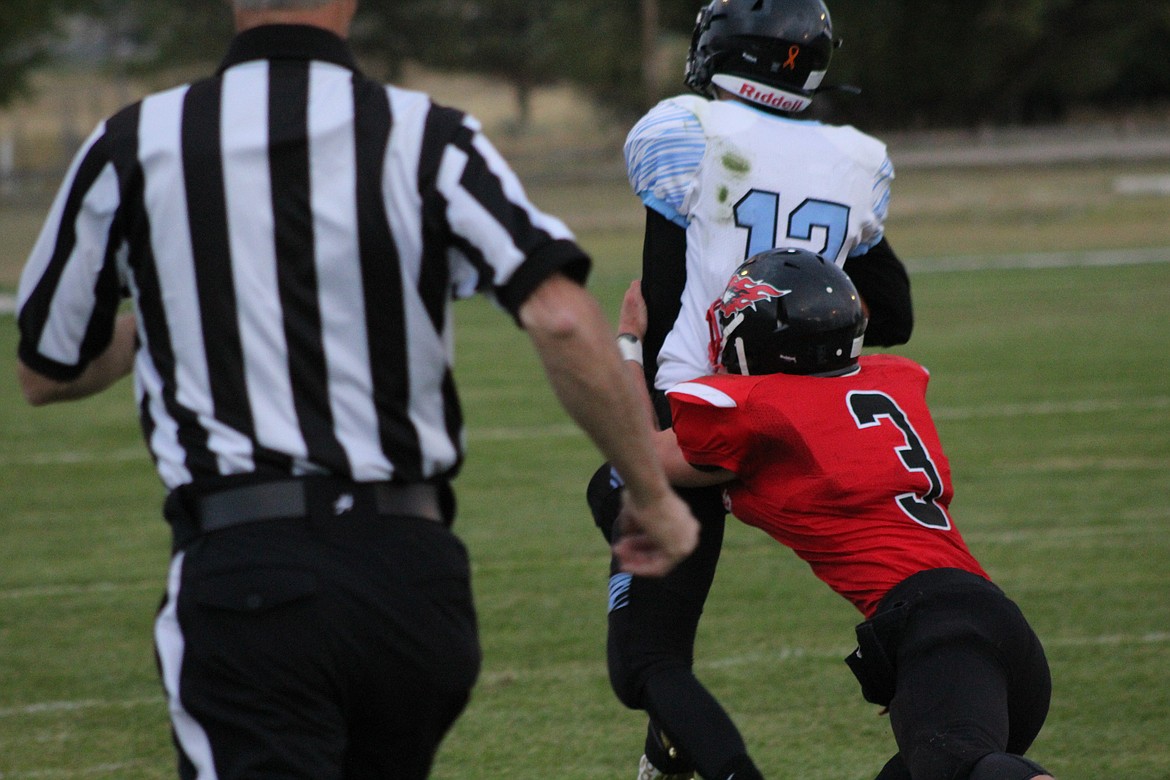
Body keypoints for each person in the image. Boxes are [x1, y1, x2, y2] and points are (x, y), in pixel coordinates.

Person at [15, 1, 699, 778]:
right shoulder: (427, 135)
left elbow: (48, 365)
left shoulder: (136, 142)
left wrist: (181, 311)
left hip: (249, 568)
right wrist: (650, 490)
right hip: (410, 578)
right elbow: (563, 319)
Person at [588, 1, 914, 778]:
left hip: (702, 422)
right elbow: (894, 315)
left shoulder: (687, 131)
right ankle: (669, 753)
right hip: (803, 425)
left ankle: (701, 757)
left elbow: (664, 306)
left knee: (646, 656)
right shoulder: (854, 156)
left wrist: (632, 349)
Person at [610, 247, 1055, 780]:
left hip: (936, 629)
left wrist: (629, 345)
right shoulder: (888, 381)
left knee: (959, 768)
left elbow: (639, 453)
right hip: (996, 633)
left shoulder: (761, 412)